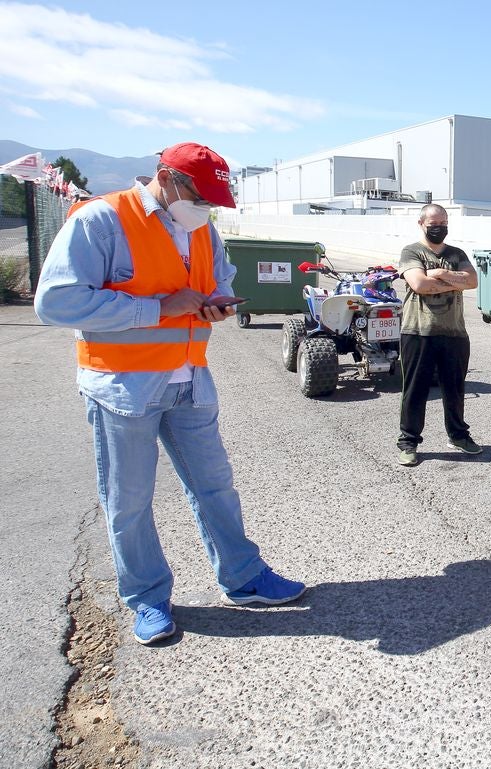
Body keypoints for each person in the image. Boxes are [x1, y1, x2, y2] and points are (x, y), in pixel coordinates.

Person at [34, 142, 306, 646]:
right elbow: (55, 302)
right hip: (124, 389)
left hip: (189, 381)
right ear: (165, 177)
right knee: (129, 501)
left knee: (215, 487)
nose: (204, 210)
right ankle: (147, 597)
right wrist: (157, 309)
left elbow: (220, 277)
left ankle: (243, 577)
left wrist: (217, 302)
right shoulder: (101, 221)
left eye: (212, 202)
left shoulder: (203, 227)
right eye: (198, 197)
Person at [396, 204, 481, 466]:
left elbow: (473, 281)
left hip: (454, 333)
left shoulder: (456, 253)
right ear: (421, 224)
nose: (439, 228)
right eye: (433, 223)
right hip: (418, 331)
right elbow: (419, 284)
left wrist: (442, 274)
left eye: (443, 223)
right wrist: (454, 281)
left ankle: (458, 435)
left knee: (454, 389)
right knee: (415, 390)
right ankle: (408, 442)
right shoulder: (412, 251)